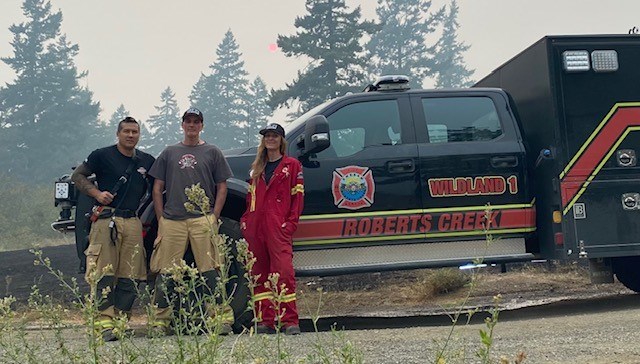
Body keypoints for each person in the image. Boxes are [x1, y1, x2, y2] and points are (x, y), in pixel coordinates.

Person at [147, 107, 235, 335]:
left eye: (197, 121)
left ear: (202, 125)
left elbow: (222, 187)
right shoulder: (169, 152)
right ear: (182, 124)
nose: (192, 125)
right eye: (188, 121)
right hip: (173, 220)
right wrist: (161, 219)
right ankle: (159, 321)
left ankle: (221, 318)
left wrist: (214, 216)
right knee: (166, 272)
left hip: (202, 219)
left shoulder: (213, 152)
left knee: (211, 269)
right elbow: (157, 188)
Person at [71, 116, 155, 341]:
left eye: (134, 132)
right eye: (126, 131)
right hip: (106, 220)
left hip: (133, 222)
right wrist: (96, 194)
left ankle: (120, 322)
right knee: (104, 273)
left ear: (139, 135)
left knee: (131, 275)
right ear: (118, 134)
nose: (130, 135)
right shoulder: (101, 155)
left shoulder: (147, 160)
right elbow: (77, 176)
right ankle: (103, 324)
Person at [240, 123, 304, 335]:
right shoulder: (256, 168)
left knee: (284, 272)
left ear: (281, 140)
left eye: (274, 136)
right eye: (267, 136)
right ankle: (265, 320)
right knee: (258, 273)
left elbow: (298, 198)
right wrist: (246, 221)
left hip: (278, 226)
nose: (270, 139)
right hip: (256, 227)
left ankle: (289, 321)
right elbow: (251, 198)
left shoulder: (292, 165)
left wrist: (290, 223)